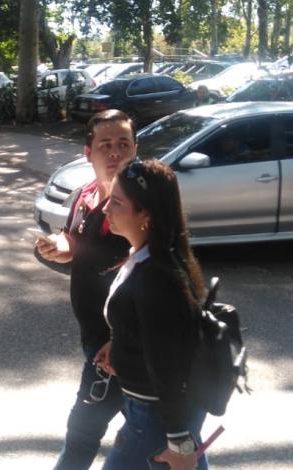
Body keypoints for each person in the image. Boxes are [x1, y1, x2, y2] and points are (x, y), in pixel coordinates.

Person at [37, 110, 136, 470]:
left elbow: (158, 274)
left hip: (124, 346)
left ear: (135, 149)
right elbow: (75, 240)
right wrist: (61, 246)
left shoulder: (142, 204)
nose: (115, 152)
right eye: (105, 145)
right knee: (152, 435)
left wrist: (122, 340)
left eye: (123, 144)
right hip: (96, 339)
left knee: (85, 435)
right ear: (88, 152)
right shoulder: (85, 194)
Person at [97, 158, 209, 470]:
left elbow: (167, 365)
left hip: (155, 417)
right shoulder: (147, 257)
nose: (105, 209)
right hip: (155, 412)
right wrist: (119, 344)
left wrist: (180, 442)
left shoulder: (157, 277)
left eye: (116, 202)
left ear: (145, 213)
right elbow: (150, 330)